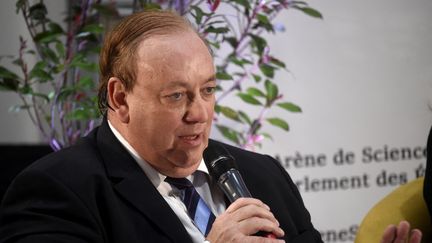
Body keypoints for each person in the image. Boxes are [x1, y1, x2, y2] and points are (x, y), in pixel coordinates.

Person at [0, 10, 422, 243]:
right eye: (176, 96)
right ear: (119, 98)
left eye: (208, 90)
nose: (199, 113)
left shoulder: (262, 173)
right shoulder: (55, 191)